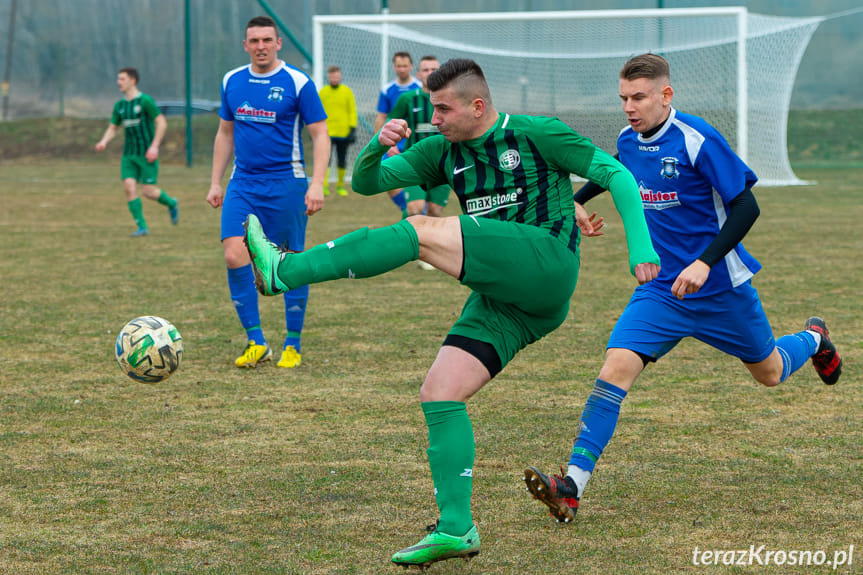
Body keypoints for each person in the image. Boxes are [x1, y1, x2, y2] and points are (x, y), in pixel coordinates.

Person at [243, 58, 660, 568]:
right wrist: (377, 145)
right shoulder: (441, 150)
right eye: (431, 107)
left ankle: (285, 270)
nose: (433, 118)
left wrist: (640, 247)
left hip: (546, 262)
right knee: (439, 392)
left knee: (419, 231)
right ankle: (457, 529)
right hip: (511, 298)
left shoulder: (536, 134)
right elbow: (367, 185)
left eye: (443, 108)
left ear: (477, 106)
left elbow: (614, 172)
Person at [523, 53, 843, 526]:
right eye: (623, 99)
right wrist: (575, 199)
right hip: (660, 290)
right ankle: (572, 486)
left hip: (720, 290)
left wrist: (704, 263)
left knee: (770, 372)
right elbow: (615, 169)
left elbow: (746, 206)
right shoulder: (628, 140)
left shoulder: (697, 139)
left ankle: (814, 338)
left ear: (665, 95)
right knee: (615, 368)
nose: (629, 108)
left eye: (639, 97)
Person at [206, 15, 329, 369]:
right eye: (254, 41)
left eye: (266, 40)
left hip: (286, 183)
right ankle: (256, 341)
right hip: (242, 183)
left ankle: (292, 343)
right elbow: (224, 133)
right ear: (245, 45)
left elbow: (320, 135)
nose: (260, 46)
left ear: (278, 43)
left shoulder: (298, 82)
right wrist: (216, 181)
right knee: (233, 254)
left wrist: (317, 184)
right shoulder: (232, 80)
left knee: (289, 262)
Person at [95, 67, 179, 237]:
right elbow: (113, 127)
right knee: (129, 187)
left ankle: (171, 203)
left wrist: (154, 146)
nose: (119, 82)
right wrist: (103, 141)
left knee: (148, 191)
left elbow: (161, 123)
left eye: (122, 79)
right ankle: (142, 227)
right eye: (118, 79)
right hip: (129, 155)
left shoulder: (145, 101)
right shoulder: (120, 106)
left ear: (133, 81)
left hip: (146, 154)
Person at [387, 55, 451, 270]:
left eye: (434, 68)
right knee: (415, 208)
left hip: (442, 165)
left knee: (434, 212)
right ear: (419, 74)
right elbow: (391, 122)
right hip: (416, 163)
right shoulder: (408, 99)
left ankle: (427, 254)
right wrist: (391, 144)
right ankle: (405, 247)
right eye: (426, 70)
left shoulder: (449, 100)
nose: (430, 73)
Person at [374, 51, 421, 217]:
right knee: (388, 182)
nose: (402, 69)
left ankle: (416, 212)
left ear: (411, 66)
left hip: (415, 146)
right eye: (399, 66)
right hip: (393, 146)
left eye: (405, 66)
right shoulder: (388, 90)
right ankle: (408, 210)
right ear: (394, 67)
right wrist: (382, 145)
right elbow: (381, 117)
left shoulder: (420, 88)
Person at [318, 65, 356, 197]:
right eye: (332, 76)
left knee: (342, 159)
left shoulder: (347, 92)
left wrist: (352, 129)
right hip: (327, 132)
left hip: (343, 132)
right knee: (325, 160)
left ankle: (340, 186)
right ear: (328, 77)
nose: (334, 78)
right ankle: (324, 186)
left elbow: (352, 110)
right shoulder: (322, 92)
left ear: (340, 76)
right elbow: (318, 112)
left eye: (336, 76)